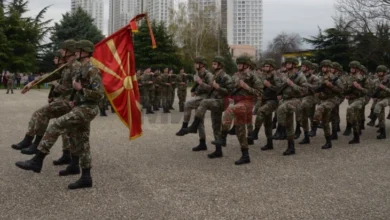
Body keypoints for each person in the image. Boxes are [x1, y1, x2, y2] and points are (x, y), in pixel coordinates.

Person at [15, 40, 105, 190]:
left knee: (56, 125)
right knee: (81, 141)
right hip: (80, 106)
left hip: (88, 109)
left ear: (85, 52)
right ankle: (85, 177)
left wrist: (81, 90)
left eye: (78, 50)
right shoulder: (80, 69)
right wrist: (73, 101)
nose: (75, 52)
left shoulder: (92, 70)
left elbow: (99, 95)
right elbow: (72, 89)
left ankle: (38, 159)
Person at [11, 40, 80, 156]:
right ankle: (30, 141)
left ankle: (34, 144)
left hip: (70, 102)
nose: (61, 52)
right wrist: (32, 83)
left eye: (63, 49)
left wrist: (56, 85)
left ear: (69, 51)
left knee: (41, 113)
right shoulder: (67, 66)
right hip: (63, 99)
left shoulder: (76, 67)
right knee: (65, 130)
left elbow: (72, 89)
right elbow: (50, 76)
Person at [213, 55, 263, 165]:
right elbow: (230, 88)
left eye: (241, 64)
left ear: (247, 65)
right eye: (238, 64)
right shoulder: (235, 75)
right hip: (237, 102)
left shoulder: (253, 77)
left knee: (229, 111)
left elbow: (260, 92)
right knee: (240, 131)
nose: (239, 65)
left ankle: (223, 137)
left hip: (247, 102)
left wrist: (247, 87)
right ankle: (245, 156)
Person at [181, 56, 233, 156]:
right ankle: (218, 151)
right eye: (213, 64)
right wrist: (198, 90)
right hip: (214, 101)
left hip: (221, 102)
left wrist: (218, 88)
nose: (213, 66)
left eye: (215, 64)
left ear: (220, 65)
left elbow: (229, 92)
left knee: (204, 102)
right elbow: (210, 90)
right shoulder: (214, 76)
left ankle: (194, 126)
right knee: (215, 126)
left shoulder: (226, 77)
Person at [176, 57, 213, 151]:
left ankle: (184, 127)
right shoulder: (197, 74)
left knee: (187, 104)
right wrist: (195, 91)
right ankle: (202, 143)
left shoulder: (208, 75)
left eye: (196, 63)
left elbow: (212, 88)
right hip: (200, 96)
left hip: (206, 98)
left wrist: (201, 84)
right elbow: (198, 86)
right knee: (199, 121)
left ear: (202, 65)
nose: (194, 65)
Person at [308, 60, 344, 149]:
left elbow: (341, 90)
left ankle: (314, 128)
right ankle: (328, 142)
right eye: (322, 67)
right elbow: (317, 88)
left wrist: (331, 86)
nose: (323, 68)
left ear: (328, 68)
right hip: (324, 99)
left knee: (320, 108)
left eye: (325, 67)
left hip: (332, 99)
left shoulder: (335, 78)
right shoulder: (321, 77)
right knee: (325, 122)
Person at [276, 57, 307, 155]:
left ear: (294, 65)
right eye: (286, 63)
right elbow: (280, 87)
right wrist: (279, 93)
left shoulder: (300, 76)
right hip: (286, 99)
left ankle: (280, 129)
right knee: (289, 124)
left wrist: (292, 84)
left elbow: (304, 90)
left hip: (296, 99)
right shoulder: (285, 75)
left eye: (289, 63)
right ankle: (291, 147)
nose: (287, 65)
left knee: (281, 108)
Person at [248, 59, 281, 151]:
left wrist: (269, 85)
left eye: (268, 66)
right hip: (264, 100)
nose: (266, 68)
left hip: (273, 101)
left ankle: (255, 132)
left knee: (261, 111)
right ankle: (269, 143)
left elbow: (279, 89)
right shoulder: (263, 75)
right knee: (267, 123)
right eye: (265, 66)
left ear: (272, 67)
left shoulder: (276, 76)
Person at [371, 65, 389, 139]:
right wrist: (374, 97)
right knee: (380, 114)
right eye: (378, 72)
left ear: (384, 72)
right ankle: (383, 133)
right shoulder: (375, 81)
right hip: (380, 98)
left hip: (388, 98)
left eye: (381, 72)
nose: (379, 73)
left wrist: (384, 87)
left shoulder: (389, 80)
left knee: (379, 105)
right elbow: (372, 91)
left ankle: (373, 119)